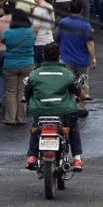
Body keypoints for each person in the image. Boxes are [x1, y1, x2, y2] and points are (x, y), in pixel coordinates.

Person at [23, 42, 84, 172]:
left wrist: (26, 99)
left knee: (36, 128)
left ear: (43, 55)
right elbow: (77, 90)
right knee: (73, 128)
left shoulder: (34, 74)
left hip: (40, 110)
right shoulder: (67, 74)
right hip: (64, 111)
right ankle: (77, 158)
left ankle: (32, 156)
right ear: (59, 56)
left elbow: (27, 92)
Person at [1, 10, 36, 126]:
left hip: (10, 65)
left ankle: (10, 118)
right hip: (27, 64)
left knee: (11, 92)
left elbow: (3, 41)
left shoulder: (8, 32)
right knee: (22, 91)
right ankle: (21, 118)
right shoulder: (31, 32)